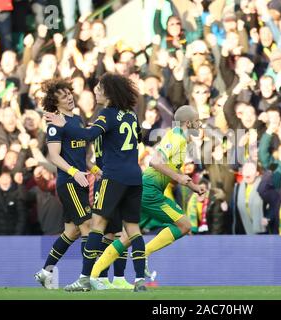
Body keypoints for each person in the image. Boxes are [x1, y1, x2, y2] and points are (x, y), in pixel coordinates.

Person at [44, 73, 147, 292]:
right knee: (133, 230)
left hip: (114, 177)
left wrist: (65, 125)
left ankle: (84, 279)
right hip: (135, 177)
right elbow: (138, 137)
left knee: (96, 226)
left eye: (99, 89)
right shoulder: (131, 114)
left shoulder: (106, 114)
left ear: (109, 93)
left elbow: (89, 136)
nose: (95, 91)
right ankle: (139, 281)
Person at [87, 105, 205, 282]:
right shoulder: (177, 138)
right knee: (184, 225)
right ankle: (144, 254)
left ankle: (92, 275)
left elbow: (168, 166)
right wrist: (179, 179)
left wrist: (193, 186)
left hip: (144, 188)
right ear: (188, 123)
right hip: (150, 190)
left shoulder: (177, 137)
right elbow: (155, 162)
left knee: (127, 237)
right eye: (197, 121)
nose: (199, 125)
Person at [34, 79, 93, 290]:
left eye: (69, 93)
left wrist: (93, 168)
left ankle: (45, 271)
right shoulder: (54, 124)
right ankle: (87, 279)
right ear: (55, 103)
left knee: (72, 231)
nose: (69, 97)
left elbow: (79, 152)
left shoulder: (77, 119)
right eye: (64, 96)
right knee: (87, 226)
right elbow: (54, 156)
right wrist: (75, 172)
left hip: (81, 180)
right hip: (68, 182)